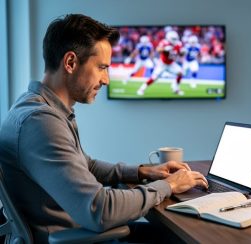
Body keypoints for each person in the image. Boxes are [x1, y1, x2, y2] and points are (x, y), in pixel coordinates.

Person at [0, 14, 208, 243]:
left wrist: (142, 172)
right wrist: (169, 185)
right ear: (70, 63)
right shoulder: (41, 123)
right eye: (101, 67)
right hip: (79, 236)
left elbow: (84, 164)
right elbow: (100, 211)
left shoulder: (40, 107)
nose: (106, 79)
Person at [137, 30, 185, 96]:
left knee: (181, 73)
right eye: (173, 39)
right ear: (169, 38)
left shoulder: (178, 44)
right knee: (154, 78)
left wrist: (183, 52)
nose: (175, 40)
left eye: (176, 38)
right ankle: (141, 89)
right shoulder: (164, 42)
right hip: (162, 64)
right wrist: (164, 49)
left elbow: (180, 54)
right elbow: (158, 49)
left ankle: (175, 88)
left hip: (171, 64)